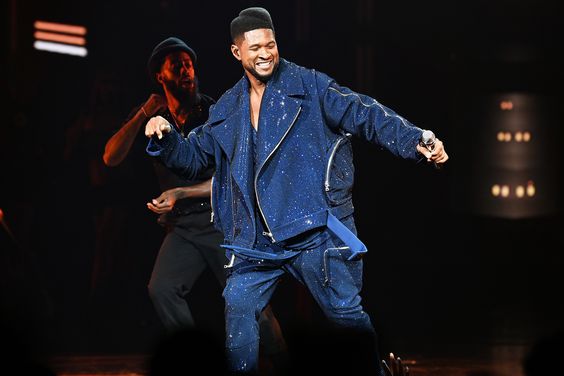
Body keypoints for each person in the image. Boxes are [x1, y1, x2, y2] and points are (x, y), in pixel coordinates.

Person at [145, 8, 448, 375]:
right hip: (256, 242)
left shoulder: (310, 86)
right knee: (238, 305)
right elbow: (193, 157)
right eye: (254, 46)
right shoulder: (228, 108)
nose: (264, 53)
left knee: (347, 316)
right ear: (236, 52)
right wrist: (165, 136)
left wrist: (416, 139)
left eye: (270, 44)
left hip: (314, 230)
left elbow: (364, 113)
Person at [103, 36, 286, 361]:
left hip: (223, 222)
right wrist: (144, 111)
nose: (186, 71)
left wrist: (179, 193)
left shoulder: (213, 112)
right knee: (162, 289)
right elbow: (111, 157)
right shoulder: (151, 117)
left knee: (249, 302)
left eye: (189, 65)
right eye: (177, 66)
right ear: (161, 76)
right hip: (184, 228)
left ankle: (283, 364)